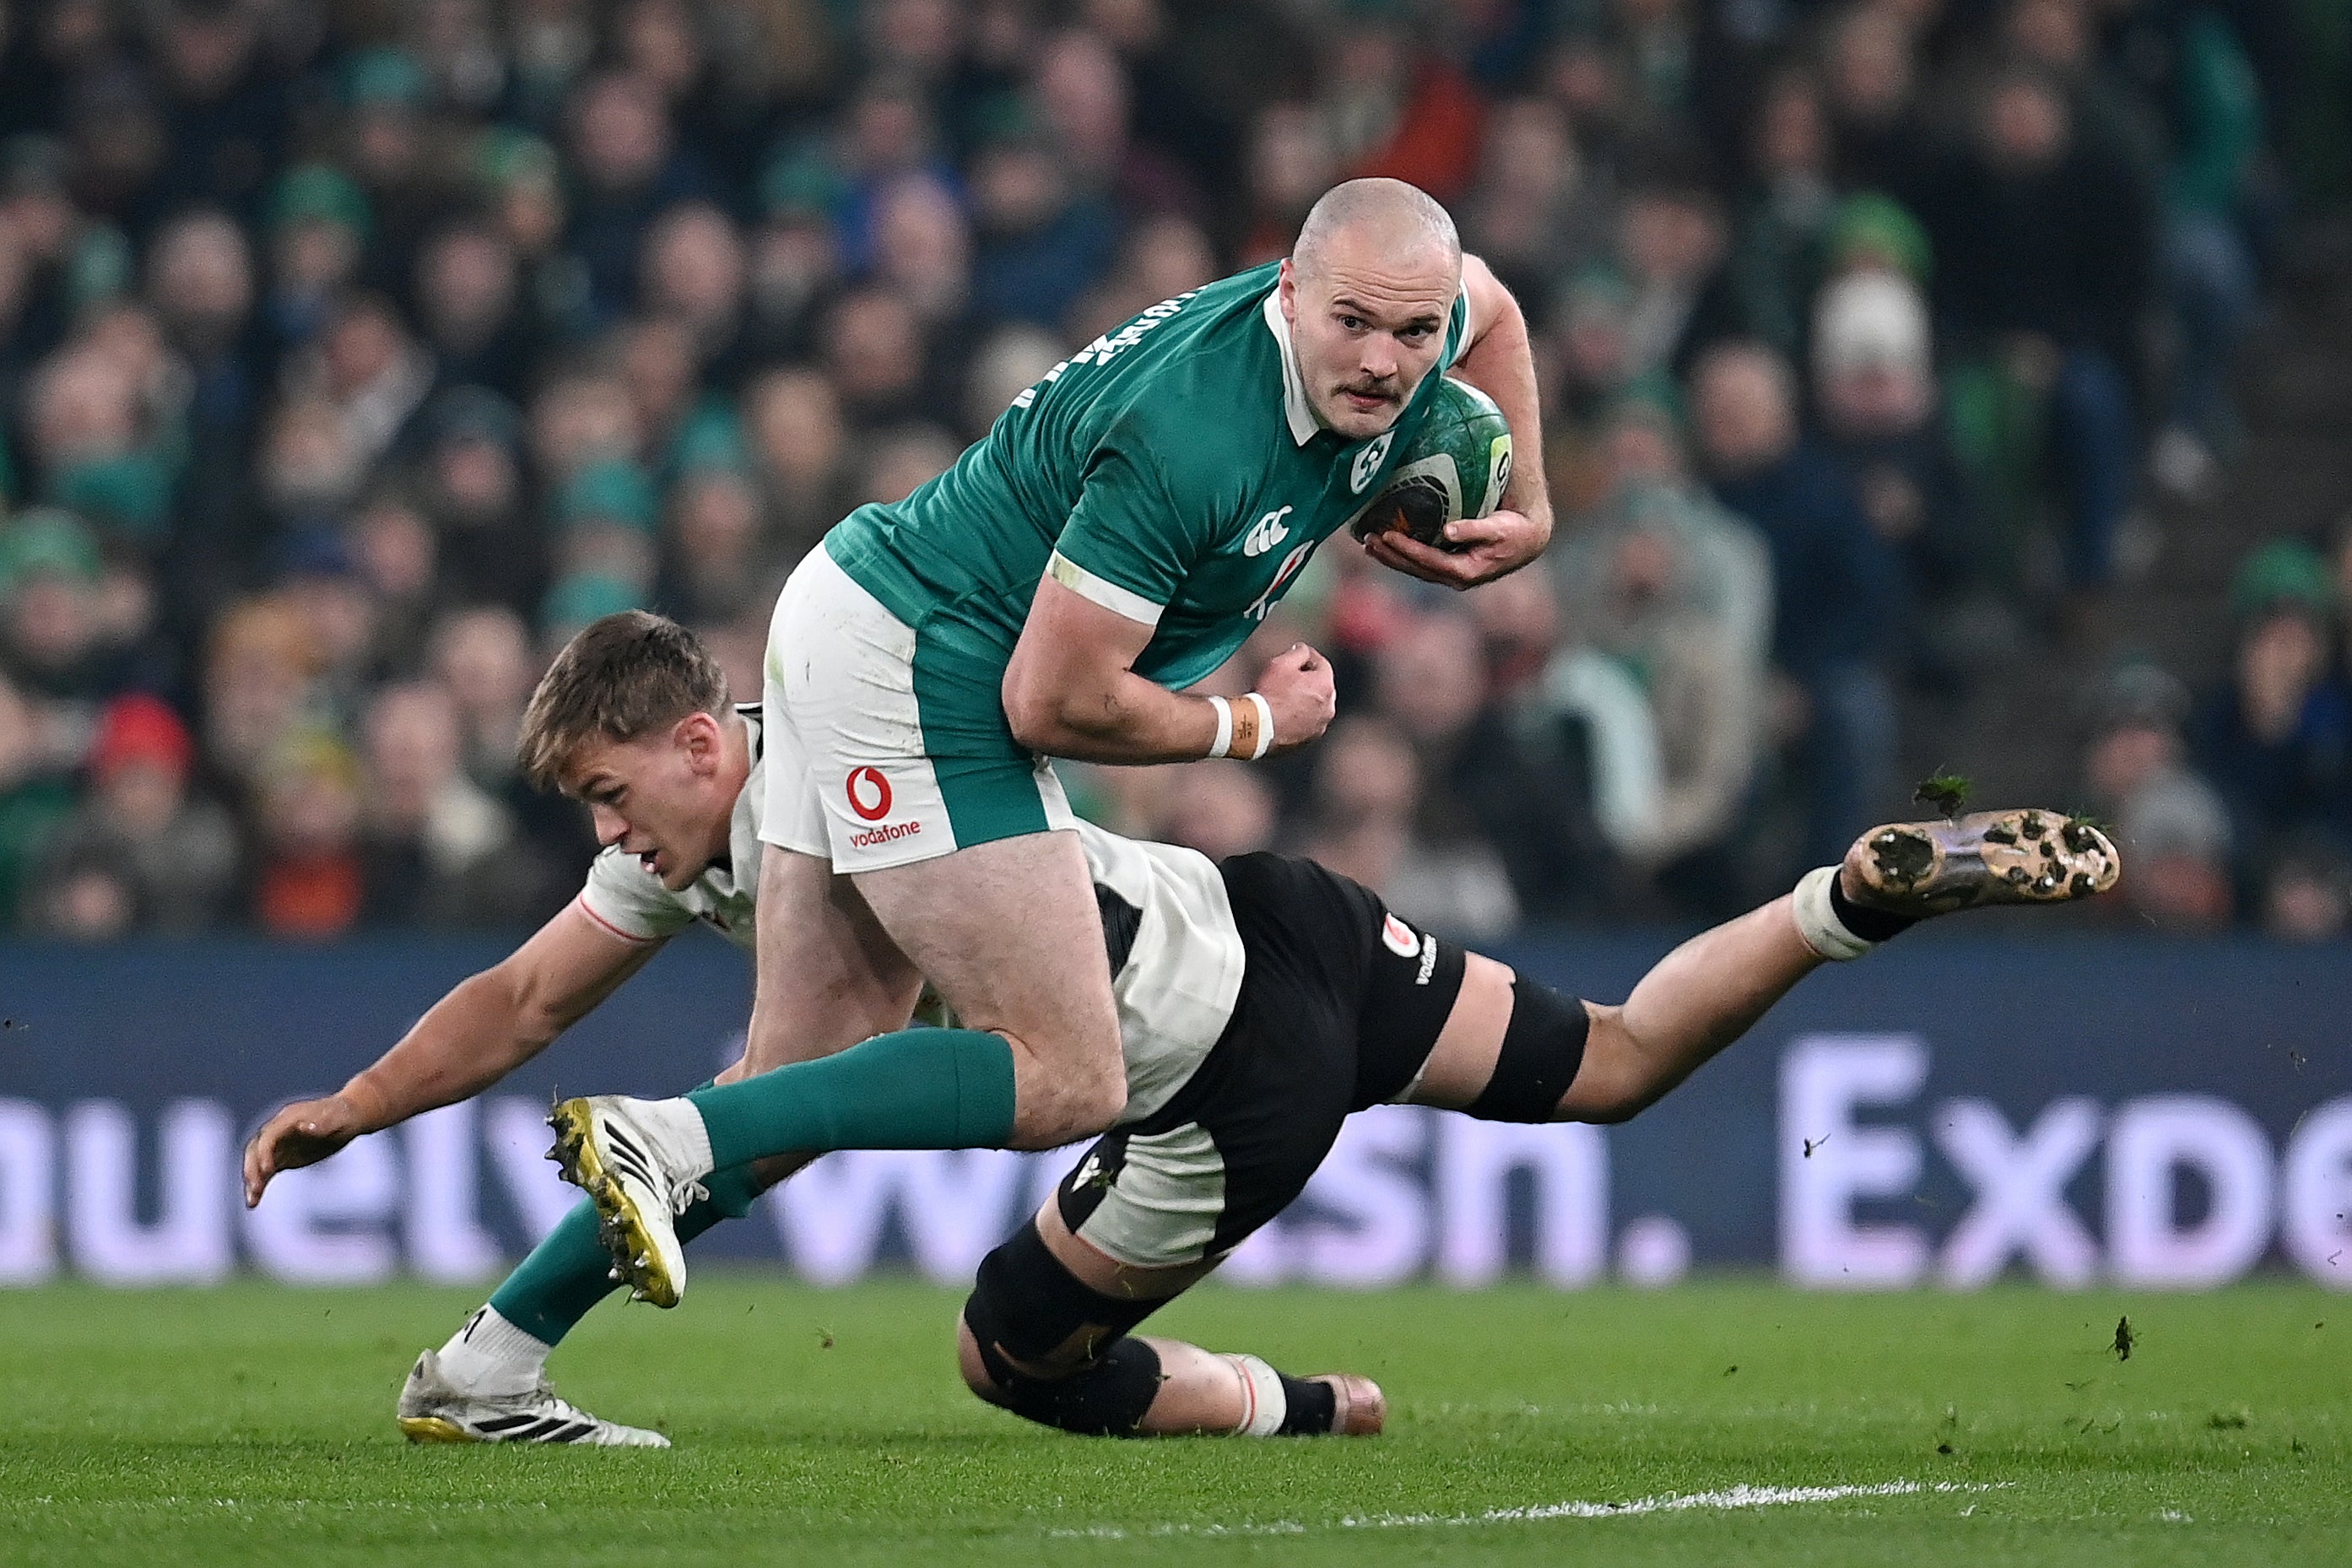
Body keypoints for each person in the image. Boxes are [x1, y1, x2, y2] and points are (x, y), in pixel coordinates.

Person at [243, 611, 2122, 1446]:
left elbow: (808, 1069)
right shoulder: (764, 796)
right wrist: (359, 1099)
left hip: (1224, 1073)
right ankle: (1845, 898)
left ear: (698, 739)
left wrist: (1238, 710)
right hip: (1282, 914)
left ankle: (1307, 1406)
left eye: (608, 793)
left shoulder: (829, 779)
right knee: (1616, 1059)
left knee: (1008, 1351)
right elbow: (523, 994)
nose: (606, 836)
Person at [560, 176, 1554, 1314]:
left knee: (794, 1081)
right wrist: (1252, 724)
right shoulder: (1196, 438)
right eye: (1354, 323)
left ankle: (492, 1356)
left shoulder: (1406, 305)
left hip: (875, 609)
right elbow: (1051, 703)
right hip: (925, 656)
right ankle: (670, 1135)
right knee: (1070, 1076)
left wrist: (1531, 508)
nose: (1384, 360)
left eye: (1415, 332)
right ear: (1288, 290)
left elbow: (1495, 302)